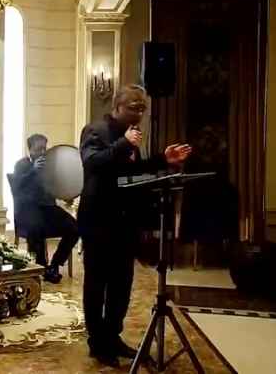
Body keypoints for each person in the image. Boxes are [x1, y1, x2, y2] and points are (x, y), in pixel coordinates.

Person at [78, 85, 191, 367]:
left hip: (124, 223)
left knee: (121, 284)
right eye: (133, 107)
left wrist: (163, 160)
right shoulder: (95, 130)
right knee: (97, 284)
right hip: (98, 221)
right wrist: (124, 144)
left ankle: (112, 336)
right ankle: (97, 342)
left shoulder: (132, 136)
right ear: (117, 106)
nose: (139, 113)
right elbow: (92, 163)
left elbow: (131, 174)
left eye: (142, 108)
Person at [12, 134, 79, 283]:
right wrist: (33, 170)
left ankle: (54, 265)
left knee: (75, 228)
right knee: (36, 228)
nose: (42, 152)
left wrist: (66, 195)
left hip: (48, 209)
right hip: (28, 210)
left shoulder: (50, 166)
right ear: (30, 150)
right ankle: (40, 267)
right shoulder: (22, 165)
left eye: (44, 148)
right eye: (38, 149)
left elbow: (56, 188)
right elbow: (17, 186)